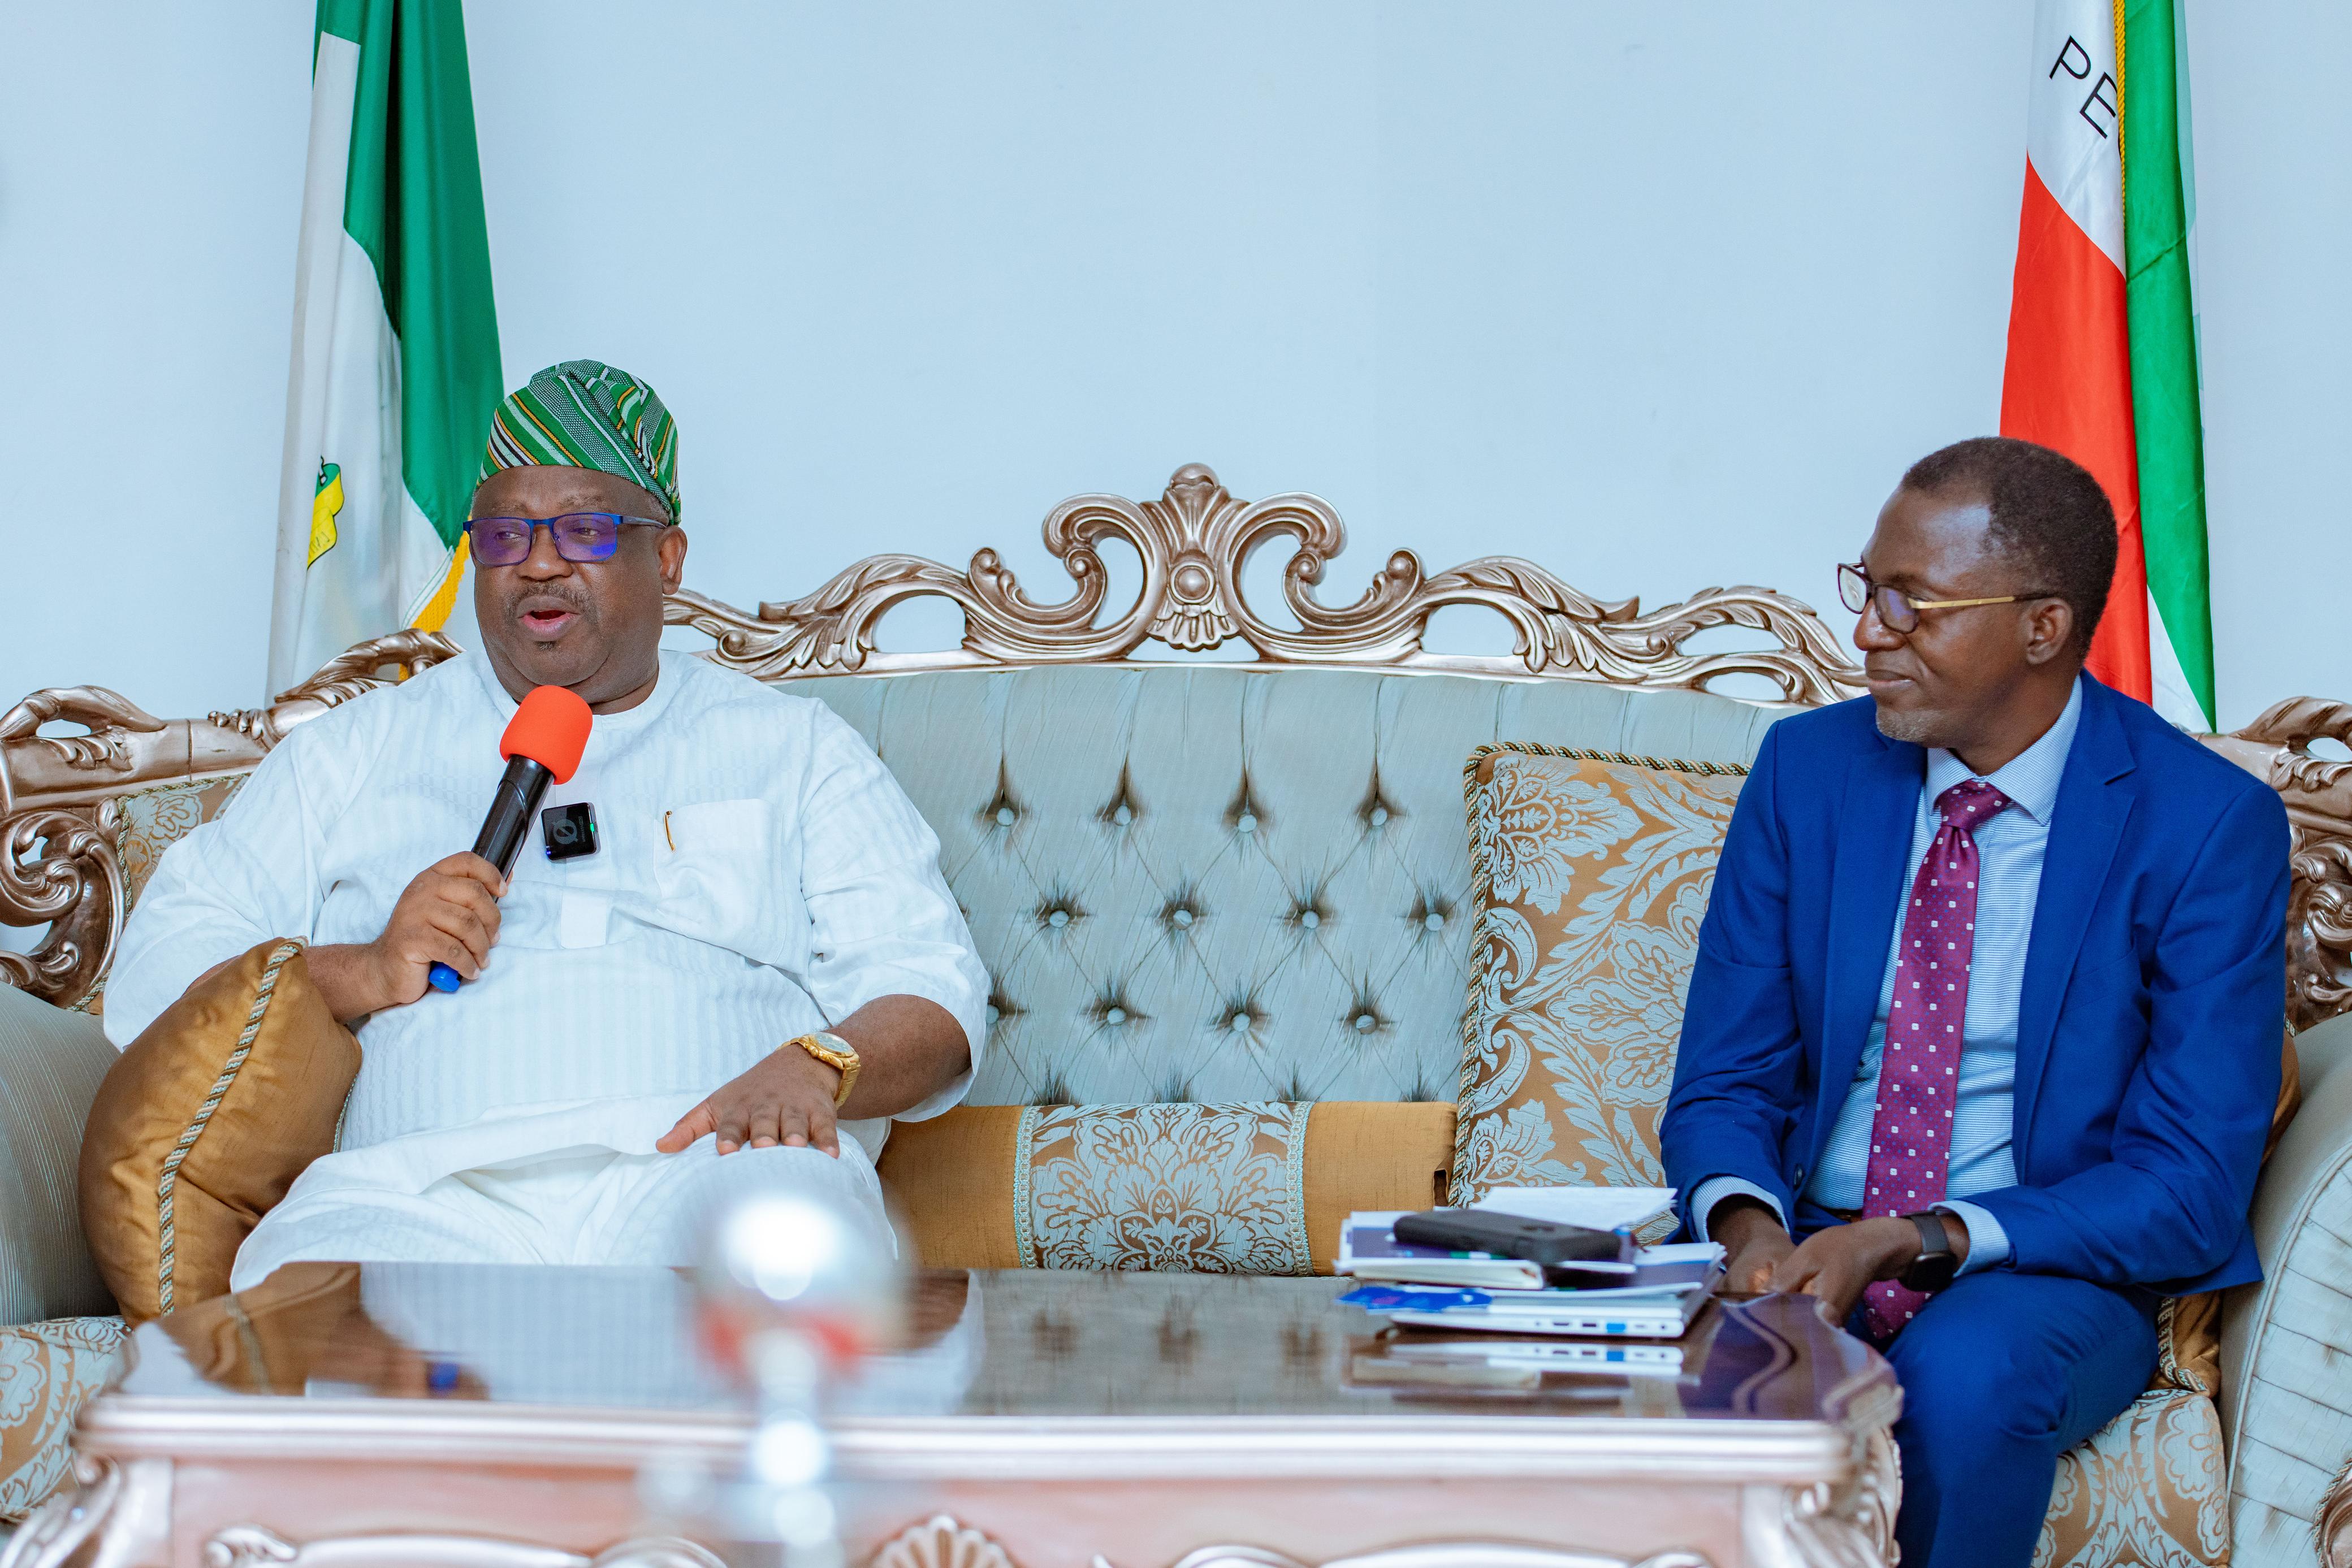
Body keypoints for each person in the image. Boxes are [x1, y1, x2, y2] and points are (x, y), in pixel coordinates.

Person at [106, 360, 988, 1286]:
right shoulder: (357, 748)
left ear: (669, 558)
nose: (537, 560)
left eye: (584, 528)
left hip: (711, 1169)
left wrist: (819, 1064)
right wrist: (362, 967)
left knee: (789, 1248)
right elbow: (156, 975)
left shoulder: (794, 747)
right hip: (416, 1192)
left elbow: (929, 991)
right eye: (502, 533)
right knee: (313, 1319)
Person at [1660, 437, 2287, 1568]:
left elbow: (2191, 1184)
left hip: (2033, 1261)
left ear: (2040, 627)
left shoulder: (2203, 826)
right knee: (1692, 1372)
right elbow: (1723, 1078)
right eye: (1866, 588)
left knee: (1966, 1379)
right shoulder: (1807, 772)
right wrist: (1750, 1235)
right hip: (1805, 1232)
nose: (1866, 631)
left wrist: (1919, 1237)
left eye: (1913, 604)